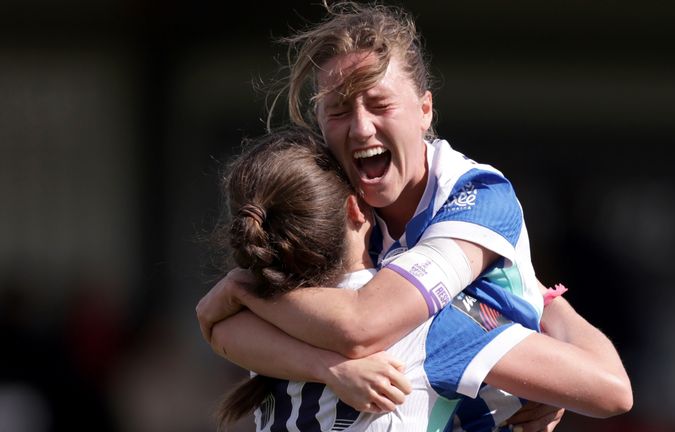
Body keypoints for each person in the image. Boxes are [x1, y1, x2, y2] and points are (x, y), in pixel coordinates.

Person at [197, 2, 632, 430]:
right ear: (320, 122)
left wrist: (542, 304)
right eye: (339, 110)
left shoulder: (475, 198)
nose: (361, 127)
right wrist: (331, 368)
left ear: (425, 110)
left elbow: (355, 326)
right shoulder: (335, 204)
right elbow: (234, 326)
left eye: (379, 104)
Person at [209, 127, 631, 432]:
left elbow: (213, 324)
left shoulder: (265, 318)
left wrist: (241, 290)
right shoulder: (437, 324)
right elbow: (612, 390)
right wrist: (542, 297)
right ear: (356, 209)